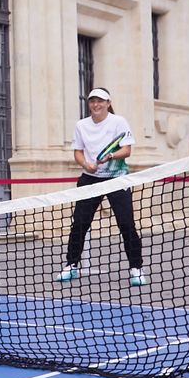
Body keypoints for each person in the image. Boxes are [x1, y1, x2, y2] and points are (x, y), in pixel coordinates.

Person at [57, 87, 147, 287]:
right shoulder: (81, 125)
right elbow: (78, 152)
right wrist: (85, 164)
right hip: (90, 178)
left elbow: (127, 150)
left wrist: (112, 156)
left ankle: (136, 268)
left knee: (126, 223)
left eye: (100, 101)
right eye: (92, 101)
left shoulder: (119, 122)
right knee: (79, 223)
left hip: (117, 178)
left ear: (108, 103)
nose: (96, 105)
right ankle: (71, 265)